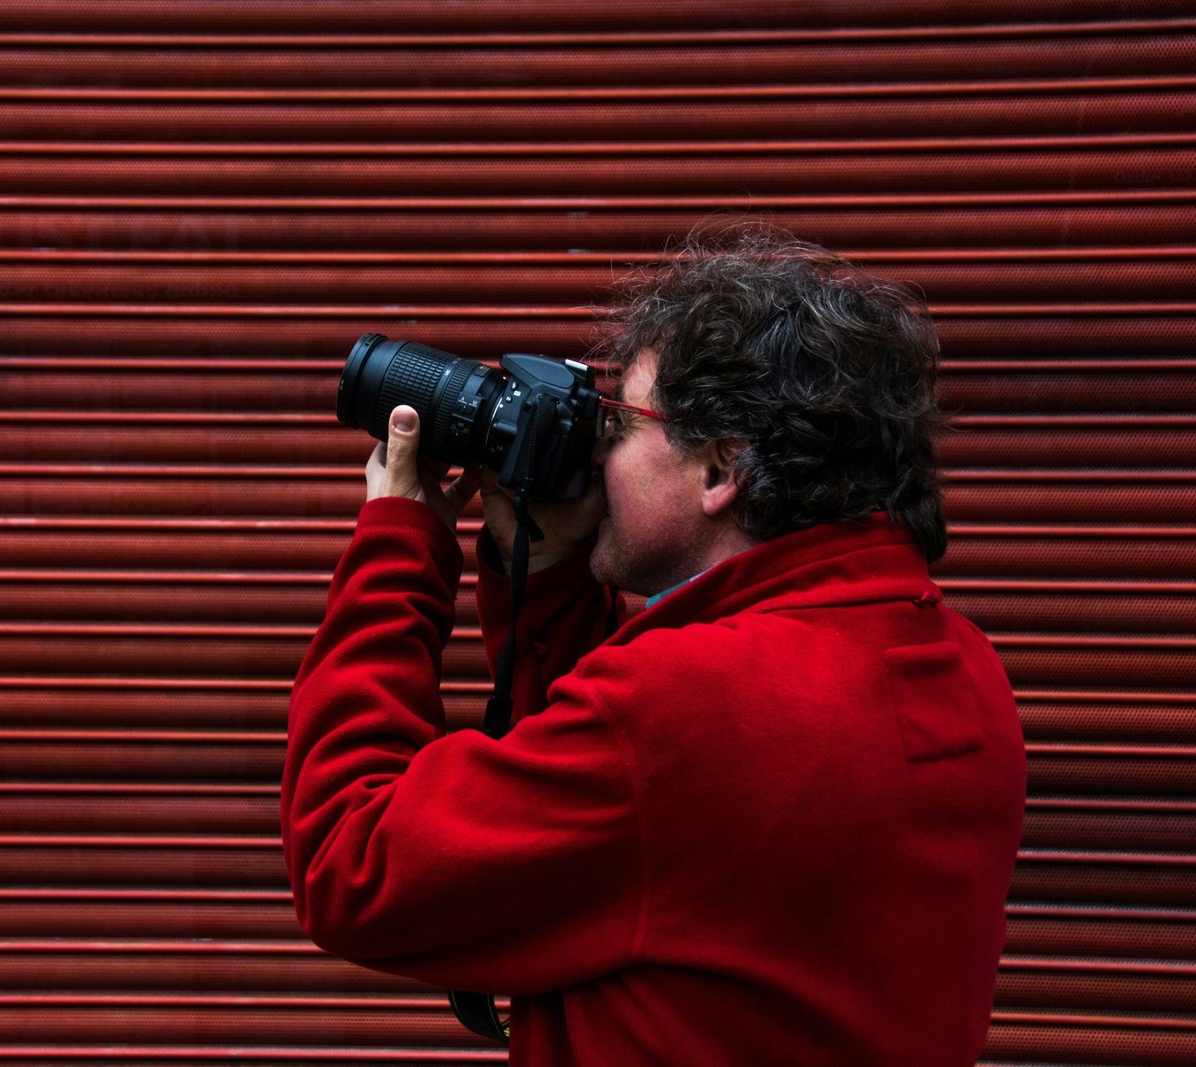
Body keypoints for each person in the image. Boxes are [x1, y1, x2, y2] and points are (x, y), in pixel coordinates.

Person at [281, 225, 1026, 1066]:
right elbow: (651, 847)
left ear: (721, 468)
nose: (598, 452)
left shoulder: (692, 710)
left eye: (621, 422)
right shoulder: (959, 665)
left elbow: (353, 859)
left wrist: (398, 541)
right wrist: (554, 572)